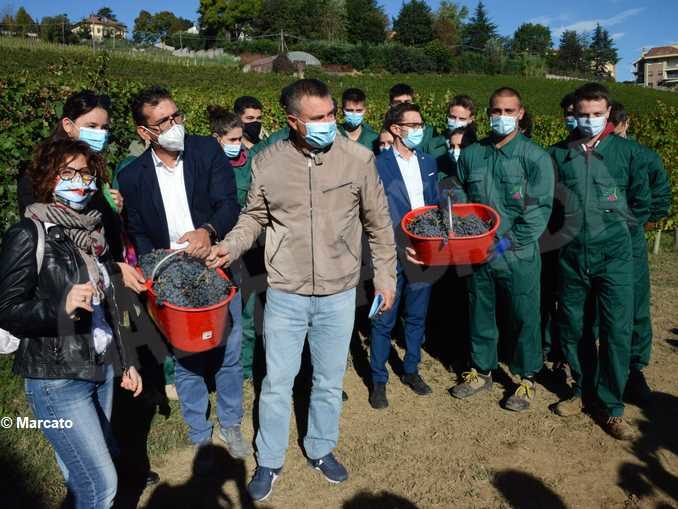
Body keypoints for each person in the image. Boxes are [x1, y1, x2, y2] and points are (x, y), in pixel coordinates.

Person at [205, 79, 397, 501]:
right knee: (277, 382)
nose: (330, 123)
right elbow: (253, 217)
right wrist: (229, 246)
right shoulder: (268, 162)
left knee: (328, 380)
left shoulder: (359, 159)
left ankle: (320, 447)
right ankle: (270, 460)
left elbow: (379, 224)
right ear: (293, 121)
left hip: (339, 291)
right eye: (319, 118)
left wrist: (386, 275)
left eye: (331, 114)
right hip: (287, 292)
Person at [0, 138, 144, 508]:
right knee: (101, 485)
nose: (79, 182)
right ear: (49, 178)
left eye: (86, 173)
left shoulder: (93, 233)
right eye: (68, 173)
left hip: (100, 368)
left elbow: (108, 306)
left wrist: (126, 360)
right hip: (57, 379)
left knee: (84, 476)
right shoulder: (28, 234)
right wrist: (58, 309)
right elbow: (7, 308)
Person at [117, 86, 249, 468]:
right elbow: (139, 232)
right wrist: (152, 270)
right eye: (164, 121)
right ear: (146, 132)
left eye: (177, 116)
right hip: (171, 276)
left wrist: (208, 230)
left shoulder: (206, 151)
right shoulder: (132, 177)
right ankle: (199, 432)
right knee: (187, 358)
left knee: (227, 351)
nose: (175, 125)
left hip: (215, 264)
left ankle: (231, 423)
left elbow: (229, 203)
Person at [549, 83, 650, 440]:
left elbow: (644, 200)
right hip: (573, 257)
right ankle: (581, 390)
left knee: (616, 330)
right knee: (574, 327)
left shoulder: (628, 154)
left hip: (615, 258)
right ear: (574, 114)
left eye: (597, 115)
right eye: (584, 114)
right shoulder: (559, 154)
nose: (590, 120)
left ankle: (612, 405)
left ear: (608, 114)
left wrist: (619, 231)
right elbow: (546, 202)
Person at [445, 87, 554, 412]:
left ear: (520, 114)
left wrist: (503, 243)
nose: (502, 117)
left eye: (509, 111)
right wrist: (467, 229)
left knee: (523, 316)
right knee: (481, 311)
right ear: (488, 113)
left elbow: (538, 211)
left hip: (517, 254)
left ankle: (525, 377)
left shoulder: (535, 157)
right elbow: (459, 187)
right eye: (496, 111)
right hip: (478, 252)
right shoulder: (474, 153)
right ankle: (481, 370)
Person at [368, 103, 439, 409]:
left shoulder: (428, 161)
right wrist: (398, 245)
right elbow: (373, 213)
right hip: (391, 253)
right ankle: (378, 379)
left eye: (421, 124)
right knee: (384, 318)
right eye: (413, 124)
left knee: (416, 316)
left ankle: (411, 369)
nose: (419, 130)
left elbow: (434, 203)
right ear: (396, 129)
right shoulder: (376, 164)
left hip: (424, 251)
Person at [608, 101, 671, 404]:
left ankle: (634, 369)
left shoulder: (643, 156)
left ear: (625, 124)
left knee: (634, 306)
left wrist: (638, 226)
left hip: (629, 240)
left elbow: (660, 198)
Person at [388, 83, 439, 154]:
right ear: (390, 105)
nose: (403, 106)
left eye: (407, 102)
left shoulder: (429, 132)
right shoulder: (385, 130)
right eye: (398, 103)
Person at [437, 95, 478, 180]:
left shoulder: (475, 144)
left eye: (462, 119)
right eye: (452, 117)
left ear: (471, 119)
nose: (456, 122)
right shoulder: (432, 144)